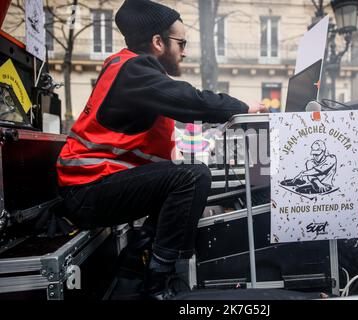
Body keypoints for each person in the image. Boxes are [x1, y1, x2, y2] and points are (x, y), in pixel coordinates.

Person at [56, 0, 264, 299]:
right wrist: (242, 107)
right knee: (192, 177)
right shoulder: (133, 68)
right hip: (88, 190)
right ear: (157, 42)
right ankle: (158, 283)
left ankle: (134, 265)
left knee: (185, 177)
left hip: (94, 187)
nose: (185, 50)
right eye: (181, 42)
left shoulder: (138, 74)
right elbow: (190, 101)